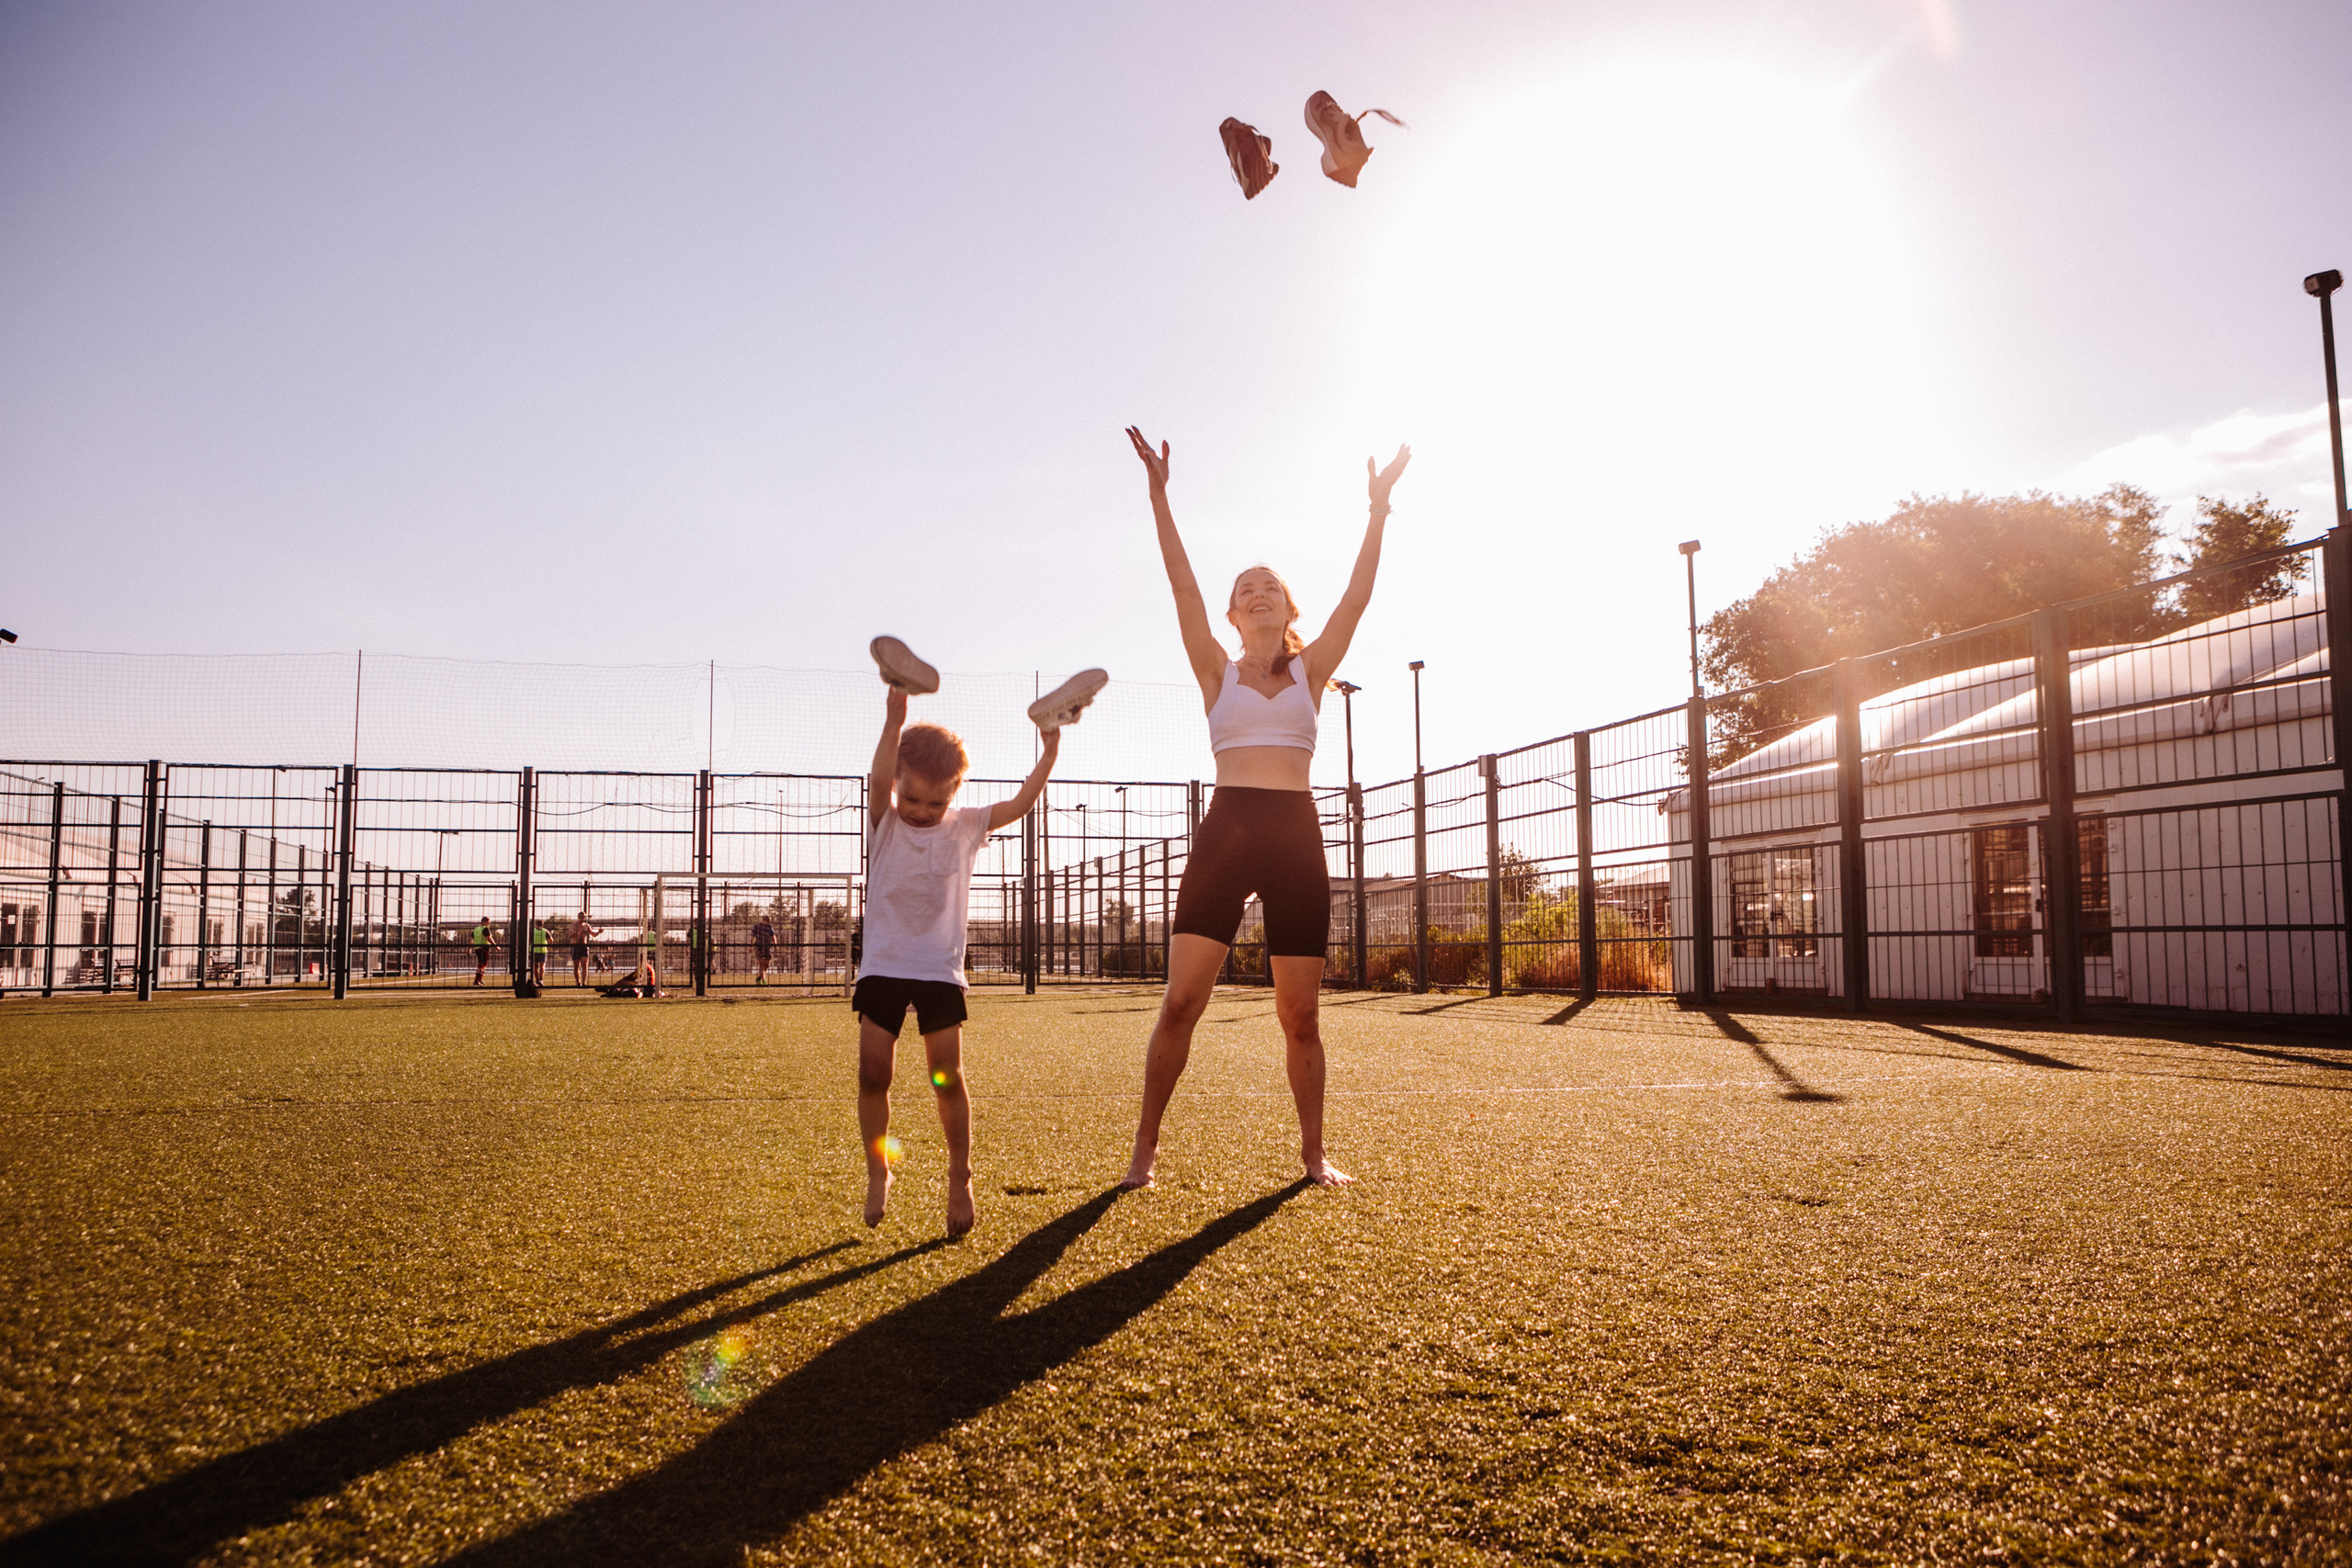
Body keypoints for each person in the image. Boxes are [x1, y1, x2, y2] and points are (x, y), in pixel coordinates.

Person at [1119, 424, 1410, 1190]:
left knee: (1300, 1016)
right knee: (1181, 1001)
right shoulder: (1216, 672)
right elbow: (1181, 585)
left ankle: (1314, 1155)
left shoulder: (1313, 672)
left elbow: (1357, 598)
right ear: (1232, 613)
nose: (1257, 593)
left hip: (1293, 837)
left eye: (1270, 586)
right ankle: (1145, 1149)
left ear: (1287, 608)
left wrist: (1377, 509)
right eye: (1246, 588)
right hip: (1227, 832)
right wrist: (1159, 496)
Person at [856, 637, 1094, 1237]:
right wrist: (894, 716)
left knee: (947, 1075)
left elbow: (1021, 802)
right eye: (911, 797)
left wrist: (1050, 751)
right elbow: (880, 773)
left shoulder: (964, 827)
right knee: (873, 1074)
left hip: (939, 970)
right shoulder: (885, 822)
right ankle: (879, 1168)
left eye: (934, 801)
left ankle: (960, 1175)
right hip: (883, 965)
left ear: (954, 794)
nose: (919, 809)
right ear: (897, 788)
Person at [752, 914, 776, 985]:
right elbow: (752, 936)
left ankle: (759, 978)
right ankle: (764, 980)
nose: (769, 922)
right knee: (761, 963)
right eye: (768, 921)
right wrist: (750, 946)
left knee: (767, 965)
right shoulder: (756, 926)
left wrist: (775, 945)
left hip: (767, 947)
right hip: (759, 946)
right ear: (764, 920)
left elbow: (773, 936)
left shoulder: (769, 927)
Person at [571, 914, 594, 987]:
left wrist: (599, 932)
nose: (583, 919)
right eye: (581, 917)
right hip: (575, 946)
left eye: (584, 917)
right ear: (578, 917)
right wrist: (575, 933)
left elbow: (593, 934)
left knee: (584, 964)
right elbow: (570, 935)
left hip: (584, 946)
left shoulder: (587, 926)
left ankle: (584, 983)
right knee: (576, 966)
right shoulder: (573, 925)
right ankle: (578, 982)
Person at [470, 918, 493, 987]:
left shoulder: (476, 929)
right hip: (484, 948)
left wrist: (469, 948)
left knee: (481, 964)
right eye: (488, 922)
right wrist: (495, 946)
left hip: (477, 948)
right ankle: (476, 980)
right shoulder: (485, 929)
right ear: (483, 922)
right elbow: (488, 938)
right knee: (482, 965)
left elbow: (471, 939)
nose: (489, 923)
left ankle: (480, 979)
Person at [530, 920, 550, 987]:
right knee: (542, 966)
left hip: (534, 950)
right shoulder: (545, 931)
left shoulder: (532, 931)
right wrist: (549, 947)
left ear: (536, 924)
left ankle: (537, 980)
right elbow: (551, 940)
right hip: (543, 950)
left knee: (535, 967)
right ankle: (541, 979)